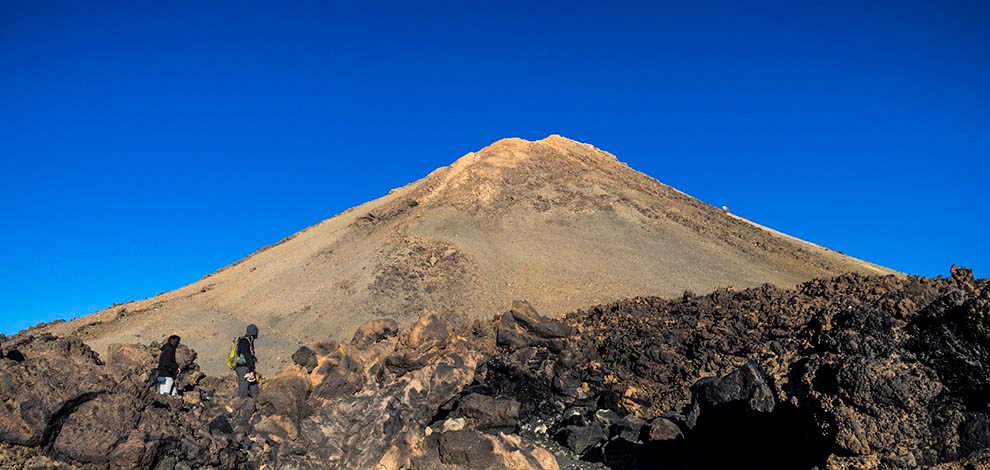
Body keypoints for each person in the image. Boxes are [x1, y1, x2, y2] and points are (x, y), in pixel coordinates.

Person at [235, 324, 261, 399]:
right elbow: (247, 356)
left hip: (244, 367)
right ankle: (239, 406)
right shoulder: (245, 341)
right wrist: (251, 370)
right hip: (244, 368)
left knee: (254, 388)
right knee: (244, 388)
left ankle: (256, 403)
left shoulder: (246, 340)